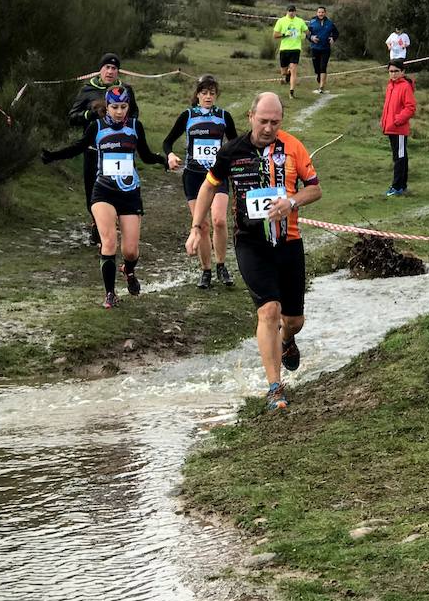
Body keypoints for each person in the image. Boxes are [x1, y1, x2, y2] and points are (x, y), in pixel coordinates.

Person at [185, 93, 321, 412]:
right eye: (263, 121)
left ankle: (287, 340)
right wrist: (195, 226)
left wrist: (292, 201)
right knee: (268, 311)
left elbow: (315, 188)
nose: (269, 128)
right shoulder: (232, 151)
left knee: (294, 319)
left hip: (288, 242)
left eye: (275, 122)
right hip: (250, 243)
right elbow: (208, 186)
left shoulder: (293, 147)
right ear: (250, 117)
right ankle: (275, 387)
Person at [44, 85, 178, 308]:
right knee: (109, 241)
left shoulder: (135, 126)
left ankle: (129, 269)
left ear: (129, 107)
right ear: (107, 106)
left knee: (131, 250)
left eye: (123, 107)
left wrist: (165, 161)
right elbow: (78, 147)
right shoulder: (96, 126)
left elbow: (144, 155)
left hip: (129, 192)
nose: (119, 111)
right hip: (103, 191)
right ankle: (110, 293)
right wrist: (53, 156)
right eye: (114, 107)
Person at [163, 75, 238, 288]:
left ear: (216, 96)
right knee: (202, 225)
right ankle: (206, 270)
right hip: (194, 176)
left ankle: (221, 265)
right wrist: (170, 156)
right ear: (197, 94)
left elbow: (234, 144)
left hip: (217, 175)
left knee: (219, 220)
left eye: (212, 93)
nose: (208, 97)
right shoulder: (187, 115)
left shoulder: (224, 116)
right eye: (204, 93)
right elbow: (167, 141)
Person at [68, 54, 139, 243]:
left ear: (118, 72)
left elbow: (135, 113)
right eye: (107, 67)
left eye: (114, 69)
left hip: (119, 151)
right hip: (93, 149)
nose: (110, 72)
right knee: (92, 189)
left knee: (121, 186)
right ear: (100, 69)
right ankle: (96, 222)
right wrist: (90, 115)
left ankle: (114, 222)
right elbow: (72, 117)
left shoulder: (126, 90)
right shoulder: (88, 90)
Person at [381, 59, 416, 196]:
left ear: (402, 72)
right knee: (399, 157)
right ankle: (402, 185)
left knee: (400, 158)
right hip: (390, 127)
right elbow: (388, 106)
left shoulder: (405, 86)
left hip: (399, 129)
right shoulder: (390, 86)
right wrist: (384, 121)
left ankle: (397, 187)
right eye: (391, 71)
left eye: (396, 71)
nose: (393, 74)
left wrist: (398, 120)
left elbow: (410, 107)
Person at [272, 4, 308, 99]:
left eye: (293, 11)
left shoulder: (300, 21)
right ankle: (287, 74)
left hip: (295, 49)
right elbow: (275, 35)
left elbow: (307, 32)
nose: (291, 13)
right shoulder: (281, 21)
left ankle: (291, 92)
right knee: (283, 72)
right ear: (287, 11)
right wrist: (284, 34)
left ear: (295, 12)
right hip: (284, 49)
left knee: (293, 69)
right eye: (290, 11)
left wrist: (304, 35)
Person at [306, 6, 338, 93]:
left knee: (323, 67)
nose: (321, 14)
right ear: (317, 13)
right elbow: (307, 34)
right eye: (319, 12)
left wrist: (333, 39)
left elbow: (336, 33)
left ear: (325, 13)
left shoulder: (330, 23)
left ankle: (321, 87)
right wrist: (311, 38)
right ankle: (319, 76)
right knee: (317, 68)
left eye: (322, 12)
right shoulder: (312, 22)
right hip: (315, 48)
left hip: (325, 48)